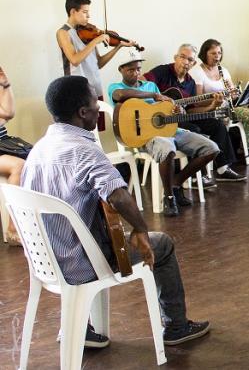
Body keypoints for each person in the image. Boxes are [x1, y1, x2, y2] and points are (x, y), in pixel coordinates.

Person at [22, 75, 210, 346]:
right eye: (93, 99)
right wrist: (141, 229)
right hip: (81, 264)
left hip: (45, 262)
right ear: (82, 112)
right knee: (163, 245)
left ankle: (79, 329)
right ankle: (176, 327)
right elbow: (119, 196)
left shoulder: (38, 149)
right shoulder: (84, 151)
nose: (99, 105)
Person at [107, 50, 220, 216]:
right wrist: (154, 95)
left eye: (138, 69)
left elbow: (163, 110)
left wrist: (176, 110)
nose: (136, 73)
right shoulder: (116, 88)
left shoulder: (151, 85)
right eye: (131, 70)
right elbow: (121, 95)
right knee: (167, 148)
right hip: (145, 137)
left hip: (169, 130)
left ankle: (176, 183)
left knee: (211, 148)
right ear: (121, 70)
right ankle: (169, 197)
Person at [143, 44, 245, 183]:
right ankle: (196, 177)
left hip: (182, 117)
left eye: (190, 60)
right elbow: (141, 83)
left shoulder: (190, 82)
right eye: (182, 57)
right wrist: (158, 99)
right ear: (175, 57)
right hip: (163, 121)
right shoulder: (163, 71)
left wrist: (212, 105)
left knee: (217, 125)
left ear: (194, 63)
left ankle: (223, 168)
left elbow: (191, 110)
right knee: (194, 129)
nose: (185, 62)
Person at [189, 39, 249, 161]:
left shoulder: (223, 71)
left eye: (219, 53)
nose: (217, 57)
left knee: (248, 114)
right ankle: (221, 157)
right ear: (205, 54)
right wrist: (215, 99)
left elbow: (233, 94)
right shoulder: (197, 72)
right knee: (223, 119)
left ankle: (245, 150)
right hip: (210, 109)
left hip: (227, 107)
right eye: (213, 53)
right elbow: (197, 101)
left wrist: (235, 93)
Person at [56, 0, 135, 98]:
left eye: (88, 12)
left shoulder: (87, 33)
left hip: (95, 89)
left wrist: (118, 46)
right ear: (73, 12)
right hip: (76, 90)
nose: (88, 16)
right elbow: (74, 60)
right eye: (85, 12)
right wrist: (96, 41)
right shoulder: (63, 32)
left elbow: (99, 64)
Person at [0, 66, 25, 246]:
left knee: (37, 158)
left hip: (4, 144)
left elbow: (8, 113)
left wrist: (6, 85)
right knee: (19, 166)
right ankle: (12, 229)